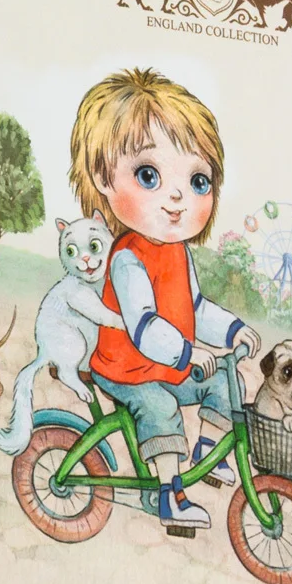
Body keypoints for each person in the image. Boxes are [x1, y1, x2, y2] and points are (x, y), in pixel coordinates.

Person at [69, 68, 261, 529]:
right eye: (149, 175)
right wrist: (188, 353)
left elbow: (195, 308)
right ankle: (168, 496)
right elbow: (145, 326)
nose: (177, 198)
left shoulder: (177, 252)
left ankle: (208, 453)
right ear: (104, 177)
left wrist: (233, 331)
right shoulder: (127, 258)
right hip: (126, 368)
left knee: (225, 384)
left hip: (167, 363)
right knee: (160, 408)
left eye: (198, 182)